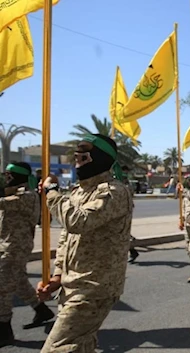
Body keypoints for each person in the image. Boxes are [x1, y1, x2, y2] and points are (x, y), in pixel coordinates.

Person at [36, 134, 134, 352]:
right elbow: (67, 239)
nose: (77, 158)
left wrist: (52, 193)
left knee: (57, 348)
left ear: (100, 158)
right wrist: (57, 277)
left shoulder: (114, 192)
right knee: (80, 346)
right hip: (71, 286)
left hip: (93, 289)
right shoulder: (78, 192)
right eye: (76, 154)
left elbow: (77, 222)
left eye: (84, 153)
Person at [0, 162, 55, 347]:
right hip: (8, 245)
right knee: (18, 282)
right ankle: (41, 310)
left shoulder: (27, 196)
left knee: (3, 287)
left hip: (16, 247)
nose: (6, 178)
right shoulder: (15, 194)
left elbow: (3, 202)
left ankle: (4, 329)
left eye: (9, 175)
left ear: (18, 176)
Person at [121, 166, 140, 263]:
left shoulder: (126, 185)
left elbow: (129, 196)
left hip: (124, 210)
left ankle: (132, 251)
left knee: (122, 233)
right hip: (119, 210)